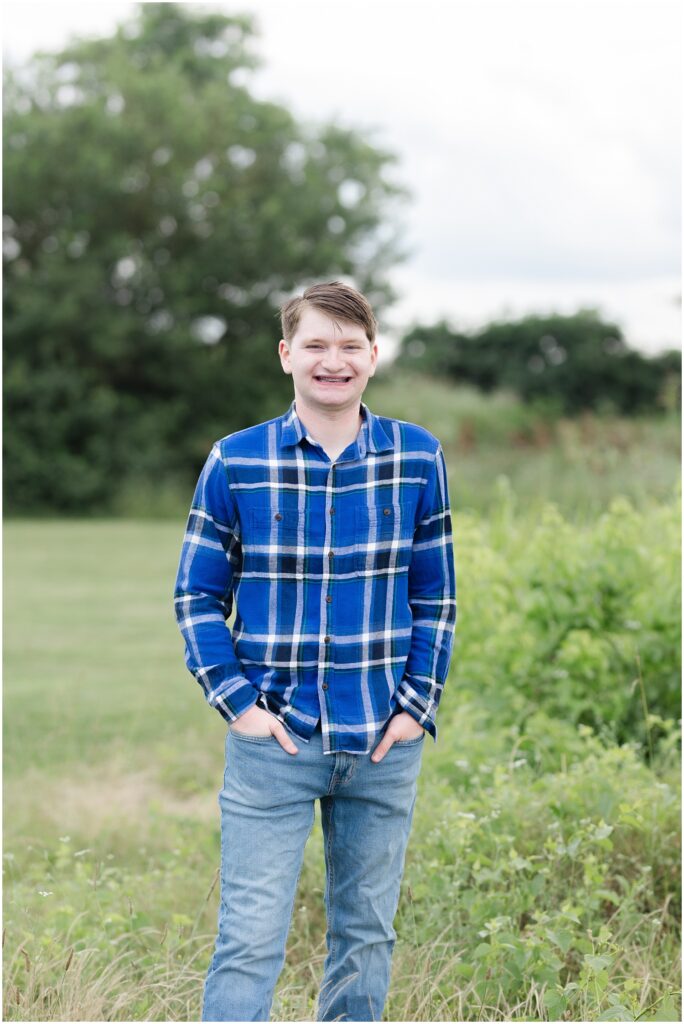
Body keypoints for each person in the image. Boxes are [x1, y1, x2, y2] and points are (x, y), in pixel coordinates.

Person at [174, 280, 457, 1022]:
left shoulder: (418, 458)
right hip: (276, 740)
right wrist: (239, 707)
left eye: (349, 346)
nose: (333, 361)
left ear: (373, 355)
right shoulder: (236, 461)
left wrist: (414, 708)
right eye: (316, 345)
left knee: (366, 937)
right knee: (249, 940)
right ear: (286, 355)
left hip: (381, 742)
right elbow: (196, 597)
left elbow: (437, 597)